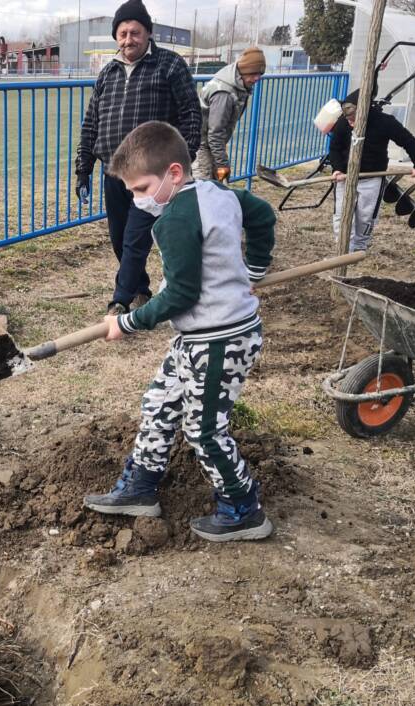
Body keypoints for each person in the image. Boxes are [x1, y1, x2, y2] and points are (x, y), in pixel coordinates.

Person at [81, 121, 276, 543]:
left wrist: (128, 322)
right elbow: (261, 214)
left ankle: (244, 508)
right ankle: (141, 487)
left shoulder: (174, 222)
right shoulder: (217, 192)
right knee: (159, 403)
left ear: (173, 173)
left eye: (141, 188)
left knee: (204, 429)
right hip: (197, 335)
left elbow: (182, 294)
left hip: (221, 338)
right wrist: (256, 265)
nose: (137, 199)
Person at [75, 0, 201, 316]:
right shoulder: (108, 73)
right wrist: (83, 168)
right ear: (116, 36)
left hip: (152, 173)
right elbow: (92, 121)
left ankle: (120, 301)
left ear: (148, 33)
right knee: (120, 238)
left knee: (134, 238)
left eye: (135, 32)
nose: (128, 39)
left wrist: (181, 162)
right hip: (114, 172)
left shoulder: (170, 65)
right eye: (122, 33)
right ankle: (141, 289)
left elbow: (190, 114)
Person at [329, 89, 415, 252]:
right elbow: (335, 148)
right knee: (341, 214)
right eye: (348, 120)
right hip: (345, 177)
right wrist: (337, 169)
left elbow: (408, 140)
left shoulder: (384, 122)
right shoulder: (342, 123)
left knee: (365, 216)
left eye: (353, 119)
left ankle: (359, 247)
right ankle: (343, 248)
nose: (350, 123)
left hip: (372, 178)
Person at [193, 47, 266, 182]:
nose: (257, 78)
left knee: (218, 185)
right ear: (244, 71)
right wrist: (222, 165)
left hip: (209, 143)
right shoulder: (224, 94)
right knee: (204, 189)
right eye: (253, 73)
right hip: (200, 145)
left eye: (260, 74)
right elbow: (215, 134)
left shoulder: (236, 81)